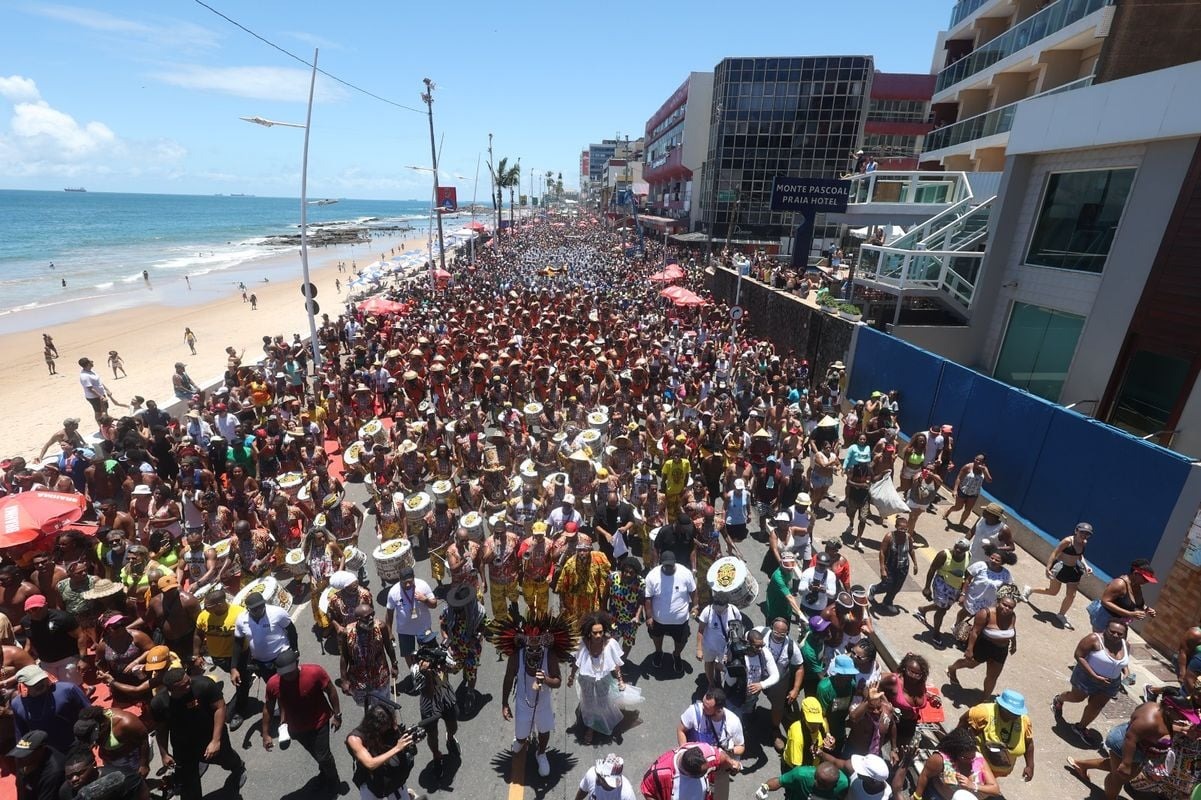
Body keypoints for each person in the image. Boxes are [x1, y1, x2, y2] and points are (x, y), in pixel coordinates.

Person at [492, 611, 574, 778]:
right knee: (521, 737)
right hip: (523, 703)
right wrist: (504, 703)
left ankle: (541, 753)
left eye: (537, 641)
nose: (534, 645)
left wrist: (545, 680)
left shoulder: (549, 655)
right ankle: (521, 740)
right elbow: (508, 679)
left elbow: (558, 681)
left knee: (544, 731)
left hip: (543, 704)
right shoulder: (516, 656)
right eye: (530, 641)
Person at [151, 667, 246, 799]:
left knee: (226, 759)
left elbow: (220, 707)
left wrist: (215, 741)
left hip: (210, 735)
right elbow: (161, 729)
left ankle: (238, 767)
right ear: (171, 689)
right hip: (183, 746)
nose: (189, 685)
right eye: (184, 685)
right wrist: (164, 753)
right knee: (189, 785)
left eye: (188, 680)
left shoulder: (204, 685)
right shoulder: (159, 703)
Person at [262, 649, 344, 791]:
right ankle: (325, 772)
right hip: (296, 728)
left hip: (320, 721)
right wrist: (265, 734)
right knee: (316, 753)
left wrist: (337, 715)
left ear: (297, 663)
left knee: (324, 756)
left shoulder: (315, 672)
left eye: (290, 672)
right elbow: (268, 708)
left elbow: (331, 691)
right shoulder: (273, 684)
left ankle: (333, 781)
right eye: (284, 674)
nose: (287, 676)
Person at [1052, 620, 1130, 746]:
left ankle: (1080, 727)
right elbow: (1079, 655)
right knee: (1077, 698)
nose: (1116, 635)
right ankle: (1059, 699)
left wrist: (1126, 672)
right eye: (1112, 632)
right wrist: (1094, 675)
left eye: (1120, 634)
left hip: (1111, 682)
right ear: (1105, 630)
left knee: (1096, 706)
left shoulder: (1126, 645)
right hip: (1086, 678)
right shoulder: (1093, 639)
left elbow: (1123, 662)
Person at [230, 590, 299, 730]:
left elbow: (291, 630)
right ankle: (285, 710)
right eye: (254, 608)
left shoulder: (277, 613)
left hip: (283, 656)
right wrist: (233, 667)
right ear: (248, 608)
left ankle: (296, 708)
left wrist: (295, 650)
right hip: (262, 662)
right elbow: (237, 643)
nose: (259, 610)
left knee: (291, 683)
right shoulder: (241, 620)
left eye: (261, 606)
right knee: (276, 687)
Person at [947, 584, 1020, 698]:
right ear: (998, 601)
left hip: (1001, 650)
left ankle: (984, 699)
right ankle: (952, 668)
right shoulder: (985, 613)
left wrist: (1014, 643)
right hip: (983, 645)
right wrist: (969, 649)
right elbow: (975, 631)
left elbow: (1012, 629)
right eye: (1004, 605)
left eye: (1010, 607)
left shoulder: (1012, 616)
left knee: (992, 676)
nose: (1007, 609)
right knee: (969, 664)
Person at [567, 611, 627, 743]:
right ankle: (590, 727)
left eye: (601, 632)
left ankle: (597, 724)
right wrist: (571, 677)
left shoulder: (610, 644)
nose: (598, 635)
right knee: (588, 703)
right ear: (589, 632)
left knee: (602, 703)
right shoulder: (582, 644)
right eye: (595, 633)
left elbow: (616, 664)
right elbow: (577, 662)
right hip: (586, 680)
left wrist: (620, 680)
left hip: (603, 680)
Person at [1024, 521, 1094, 628]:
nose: (1084, 535)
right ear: (1076, 531)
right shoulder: (1067, 541)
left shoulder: (1084, 543)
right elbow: (1055, 553)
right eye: (1082, 532)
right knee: (1053, 592)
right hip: (1061, 568)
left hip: (1074, 570)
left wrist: (1086, 565)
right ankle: (1030, 590)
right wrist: (1048, 568)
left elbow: (1080, 556)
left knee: (1071, 595)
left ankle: (1061, 614)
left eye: (1087, 534)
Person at [345, 703, 420, 800]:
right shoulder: (355, 738)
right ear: (377, 726)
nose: (392, 727)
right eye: (388, 725)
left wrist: (408, 742)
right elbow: (370, 763)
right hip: (369, 779)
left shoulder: (388, 730)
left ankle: (409, 795)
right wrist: (397, 748)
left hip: (390, 775)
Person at [11, 664, 91, 754]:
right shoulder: (17, 704)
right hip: (47, 755)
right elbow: (21, 733)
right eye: (34, 683)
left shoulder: (68, 690)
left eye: (42, 679)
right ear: (24, 685)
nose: (40, 684)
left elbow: (90, 714)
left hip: (76, 745)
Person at [960, 689, 1035, 783]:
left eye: (1017, 714)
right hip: (974, 765)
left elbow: (1029, 744)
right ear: (1000, 706)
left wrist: (1030, 766)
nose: (1014, 716)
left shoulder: (1024, 721)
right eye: (1010, 712)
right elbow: (962, 723)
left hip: (999, 769)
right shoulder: (983, 712)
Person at [644, 550, 698, 672]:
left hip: (680, 621)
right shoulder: (652, 576)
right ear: (661, 563)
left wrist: (695, 606)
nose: (668, 567)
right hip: (658, 620)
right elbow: (648, 598)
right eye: (666, 565)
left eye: (671, 565)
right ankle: (658, 652)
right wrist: (649, 616)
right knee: (656, 636)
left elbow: (693, 591)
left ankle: (677, 655)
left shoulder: (685, 573)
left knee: (681, 641)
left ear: (675, 563)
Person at [911, 725, 1000, 799]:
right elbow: (925, 775)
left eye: (973, 757)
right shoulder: (940, 760)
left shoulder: (978, 758)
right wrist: (917, 796)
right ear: (955, 753)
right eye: (966, 758)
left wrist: (973, 785)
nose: (972, 760)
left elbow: (995, 789)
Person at [341, 602, 400, 708]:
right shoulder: (347, 633)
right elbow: (344, 657)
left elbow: (389, 646)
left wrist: (394, 664)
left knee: (385, 706)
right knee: (365, 705)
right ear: (358, 619)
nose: (371, 618)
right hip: (358, 679)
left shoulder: (381, 627)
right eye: (367, 617)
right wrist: (344, 680)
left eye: (372, 614)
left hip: (379, 676)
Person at [915, 538, 971, 647]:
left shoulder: (969, 556)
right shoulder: (943, 555)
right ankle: (936, 633)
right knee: (942, 610)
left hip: (956, 586)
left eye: (962, 549)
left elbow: (966, 573)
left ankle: (923, 610)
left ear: (967, 550)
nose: (958, 551)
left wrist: (963, 591)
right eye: (956, 548)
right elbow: (932, 569)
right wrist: (927, 587)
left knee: (944, 607)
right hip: (942, 584)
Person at [640, 743, 740, 800]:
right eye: (702, 774)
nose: (706, 774)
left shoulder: (706, 752)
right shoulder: (660, 773)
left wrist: (731, 763)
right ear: (688, 774)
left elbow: (720, 756)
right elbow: (647, 789)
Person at [384, 566, 438, 671]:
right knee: (409, 655)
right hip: (405, 631)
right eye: (404, 582)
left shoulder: (422, 585)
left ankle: (432, 675)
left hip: (423, 627)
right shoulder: (393, 592)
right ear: (399, 580)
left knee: (429, 654)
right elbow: (389, 614)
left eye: (410, 581)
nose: (408, 584)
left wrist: (425, 600)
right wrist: (389, 632)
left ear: (414, 577)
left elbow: (434, 604)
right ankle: (415, 675)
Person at [21, 593, 82, 682]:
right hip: (45, 662)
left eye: (35, 609)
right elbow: (29, 641)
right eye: (28, 611)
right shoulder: (25, 622)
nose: (32, 613)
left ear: (45, 606)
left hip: (67, 659)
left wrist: (83, 658)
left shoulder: (63, 618)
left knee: (72, 685)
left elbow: (80, 636)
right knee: (52, 688)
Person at [1087, 558, 1157, 632]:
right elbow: (1105, 601)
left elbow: (1136, 603)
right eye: (1145, 579)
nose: (1147, 582)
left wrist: (1146, 609)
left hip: (1120, 624)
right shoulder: (1119, 584)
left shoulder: (1137, 586)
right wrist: (1129, 613)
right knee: (1100, 642)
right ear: (1136, 573)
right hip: (1105, 621)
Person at [867, 517, 916, 611]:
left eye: (905, 529)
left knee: (897, 587)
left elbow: (911, 550)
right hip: (891, 565)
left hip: (903, 567)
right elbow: (882, 552)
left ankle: (887, 601)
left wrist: (915, 564)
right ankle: (873, 589)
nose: (903, 531)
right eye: (900, 528)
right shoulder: (889, 537)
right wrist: (882, 568)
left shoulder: (908, 537)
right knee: (887, 585)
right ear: (896, 526)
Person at [10, 729, 66, 800]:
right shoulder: (24, 762)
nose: (19, 759)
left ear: (41, 750)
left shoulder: (54, 772)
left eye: (25, 755)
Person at [753, 760, 848, 800]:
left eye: (823, 784)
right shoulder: (801, 774)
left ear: (835, 784)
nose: (816, 783)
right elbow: (780, 781)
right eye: (816, 778)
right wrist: (765, 787)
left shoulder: (844, 784)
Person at [941, 455, 991, 530]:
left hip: (974, 493)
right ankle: (949, 511)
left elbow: (989, 480)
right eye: (976, 459)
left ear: (983, 462)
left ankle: (961, 524)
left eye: (979, 461)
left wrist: (984, 470)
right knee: (958, 507)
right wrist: (955, 490)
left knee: (968, 510)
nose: (977, 461)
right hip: (963, 491)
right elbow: (959, 478)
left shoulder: (984, 469)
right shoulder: (968, 467)